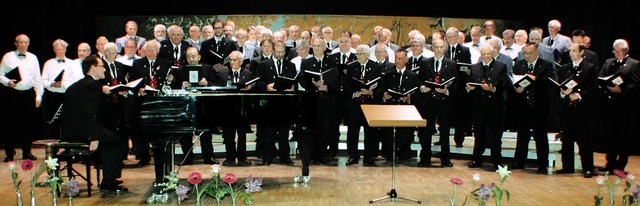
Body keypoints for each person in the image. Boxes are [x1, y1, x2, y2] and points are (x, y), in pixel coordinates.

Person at [62, 54, 127, 192]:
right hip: (82, 132)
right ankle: (108, 182)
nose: (105, 70)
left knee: (112, 138)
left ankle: (109, 178)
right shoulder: (92, 85)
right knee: (116, 142)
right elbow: (89, 113)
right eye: (102, 66)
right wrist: (94, 137)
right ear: (92, 68)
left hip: (71, 130)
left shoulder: (79, 84)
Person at [511, 42, 557, 174]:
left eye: (530, 53)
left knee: (540, 136)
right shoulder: (520, 65)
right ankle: (519, 161)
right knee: (522, 135)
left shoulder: (546, 64)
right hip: (523, 105)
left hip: (539, 106)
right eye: (525, 53)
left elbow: (551, 81)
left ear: (537, 53)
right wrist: (517, 88)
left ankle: (542, 164)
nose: (528, 56)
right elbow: (514, 80)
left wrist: (535, 79)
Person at [555, 43, 599, 178]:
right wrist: (564, 93)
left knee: (584, 140)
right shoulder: (565, 68)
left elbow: (594, 89)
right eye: (570, 51)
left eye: (574, 50)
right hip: (568, 110)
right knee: (567, 139)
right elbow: (560, 86)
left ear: (582, 52)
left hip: (583, 111)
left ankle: (588, 168)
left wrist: (579, 95)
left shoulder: (589, 68)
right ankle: (567, 166)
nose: (571, 53)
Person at [597, 39, 640, 173]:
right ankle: (610, 163)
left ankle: (621, 164)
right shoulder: (609, 62)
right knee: (610, 135)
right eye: (614, 50)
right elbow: (601, 77)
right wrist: (607, 86)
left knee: (623, 136)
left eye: (618, 51)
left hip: (625, 107)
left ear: (625, 51)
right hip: (609, 105)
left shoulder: (634, 64)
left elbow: (636, 84)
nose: (615, 53)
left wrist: (621, 90)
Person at [466, 44, 508, 171]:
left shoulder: (500, 66)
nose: (486, 56)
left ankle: (496, 161)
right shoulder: (474, 67)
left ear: (493, 53)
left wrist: (493, 88)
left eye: (488, 54)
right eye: (483, 54)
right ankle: (477, 159)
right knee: (479, 134)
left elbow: (504, 84)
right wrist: (469, 88)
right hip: (479, 106)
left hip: (495, 106)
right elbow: (469, 82)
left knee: (495, 135)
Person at [415, 39, 457, 167]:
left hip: (444, 101)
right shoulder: (425, 62)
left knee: (444, 131)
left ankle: (446, 159)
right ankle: (425, 158)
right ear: (432, 48)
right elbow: (419, 79)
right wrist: (422, 88)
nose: (439, 49)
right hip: (428, 101)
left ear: (445, 48)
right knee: (427, 131)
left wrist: (447, 90)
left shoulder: (451, 63)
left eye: (441, 47)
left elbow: (455, 82)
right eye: (436, 47)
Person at [255, 42, 297, 165]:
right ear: (273, 51)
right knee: (269, 132)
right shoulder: (263, 65)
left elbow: (294, 81)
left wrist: (292, 87)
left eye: (282, 52)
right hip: (269, 103)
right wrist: (266, 86)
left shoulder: (291, 65)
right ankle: (268, 156)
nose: (279, 54)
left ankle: (285, 156)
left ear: (285, 52)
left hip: (285, 104)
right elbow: (257, 82)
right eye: (277, 52)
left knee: (284, 132)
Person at [1, 34, 41, 162]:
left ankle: (27, 152)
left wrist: (39, 95)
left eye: (26, 42)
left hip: (28, 94)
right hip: (12, 94)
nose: (23, 45)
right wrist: (7, 81)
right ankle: (9, 153)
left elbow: (37, 78)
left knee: (26, 125)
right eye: (21, 42)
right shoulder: (8, 56)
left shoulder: (33, 58)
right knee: (10, 125)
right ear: (16, 43)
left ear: (29, 44)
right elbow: (0, 74)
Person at [300, 37, 340, 166]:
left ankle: (323, 155)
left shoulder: (332, 61)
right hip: (312, 100)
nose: (316, 48)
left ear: (324, 47)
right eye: (314, 46)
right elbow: (302, 80)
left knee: (326, 128)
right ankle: (312, 155)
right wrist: (313, 85)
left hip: (328, 100)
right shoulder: (306, 62)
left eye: (319, 46)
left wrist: (327, 86)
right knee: (313, 128)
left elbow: (338, 80)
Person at [343, 44, 383, 166]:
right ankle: (353, 156)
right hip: (355, 104)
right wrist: (353, 93)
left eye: (361, 54)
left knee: (370, 132)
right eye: (357, 54)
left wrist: (372, 92)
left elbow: (381, 86)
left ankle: (368, 156)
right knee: (352, 131)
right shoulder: (351, 67)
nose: (358, 56)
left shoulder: (375, 67)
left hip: (369, 104)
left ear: (367, 54)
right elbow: (346, 85)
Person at [380, 49, 420, 165]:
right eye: (396, 58)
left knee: (405, 132)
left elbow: (416, 93)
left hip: (405, 108)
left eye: (400, 58)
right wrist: (384, 95)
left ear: (406, 60)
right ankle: (388, 155)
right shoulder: (388, 74)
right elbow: (381, 89)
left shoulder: (412, 76)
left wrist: (409, 98)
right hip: (391, 107)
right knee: (388, 132)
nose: (397, 61)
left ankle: (404, 155)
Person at [444, 27, 472, 148]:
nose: (450, 39)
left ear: (457, 37)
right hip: (445, 86)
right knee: (445, 114)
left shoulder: (465, 50)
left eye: (452, 36)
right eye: (448, 37)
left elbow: (467, 68)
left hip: (459, 87)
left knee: (460, 114)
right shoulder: (443, 50)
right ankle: (443, 138)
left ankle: (459, 139)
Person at [41, 39, 72, 141]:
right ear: (54, 50)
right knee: (54, 123)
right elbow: (43, 81)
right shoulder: (48, 63)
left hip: (68, 96)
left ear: (66, 49)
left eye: (62, 49)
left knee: (68, 122)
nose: (60, 51)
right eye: (57, 49)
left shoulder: (72, 63)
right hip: (53, 97)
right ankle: (54, 152)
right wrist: (53, 84)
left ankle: (67, 147)